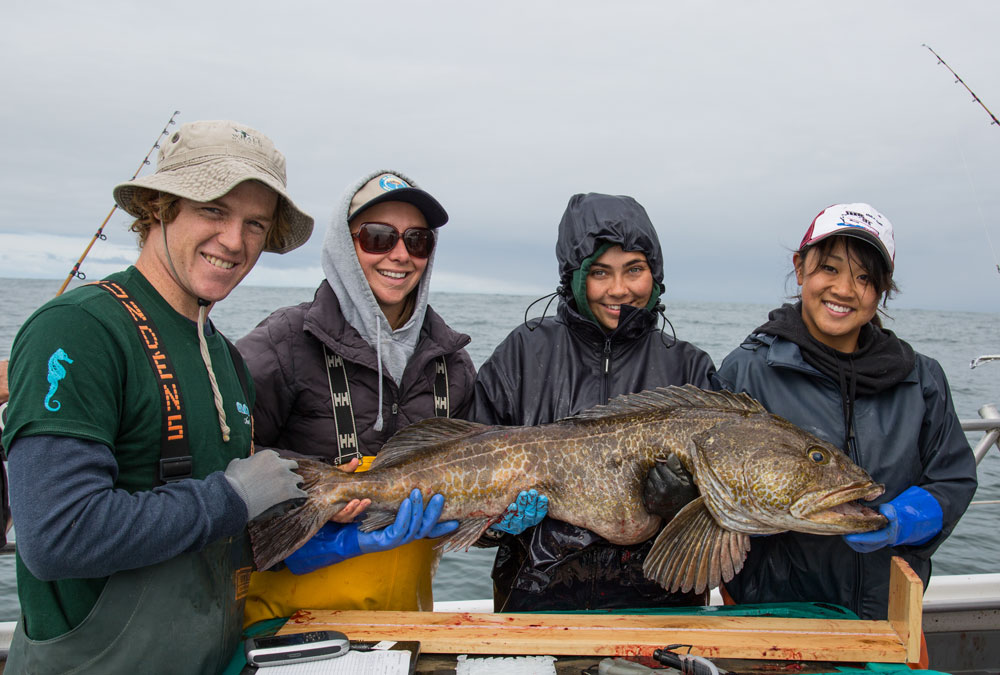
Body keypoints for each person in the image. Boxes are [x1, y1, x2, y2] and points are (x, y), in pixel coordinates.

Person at [1, 120, 314, 673]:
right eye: (214, 210)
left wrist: (329, 531)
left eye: (255, 224)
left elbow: (221, 532)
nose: (235, 241)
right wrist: (233, 499)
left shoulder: (227, 359)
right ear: (158, 206)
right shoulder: (78, 329)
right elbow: (57, 536)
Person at [238, 170, 481, 624]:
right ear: (344, 245)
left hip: (406, 624)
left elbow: (472, 507)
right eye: (378, 237)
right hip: (288, 623)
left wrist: (502, 520)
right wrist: (322, 508)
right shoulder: (283, 341)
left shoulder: (453, 363)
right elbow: (224, 454)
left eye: (418, 241)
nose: (400, 255)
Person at [714, 203, 977, 621]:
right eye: (830, 269)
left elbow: (954, 478)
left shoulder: (921, 378)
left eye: (865, 278)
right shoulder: (746, 372)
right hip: (770, 612)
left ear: (883, 291)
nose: (845, 289)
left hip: (890, 614)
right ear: (800, 269)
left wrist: (905, 519)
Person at [470, 192, 717, 612]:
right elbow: (464, 483)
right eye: (600, 272)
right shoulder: (521, 354)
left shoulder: (690, 367)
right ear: (574, 276)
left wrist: (688, 504)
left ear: (654, 274)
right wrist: (494, 524)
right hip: (533, 600)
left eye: (634, 269)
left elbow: (725, 513)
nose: (619, 290)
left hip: (662, 606)